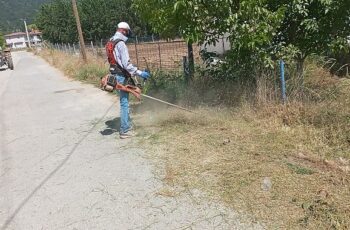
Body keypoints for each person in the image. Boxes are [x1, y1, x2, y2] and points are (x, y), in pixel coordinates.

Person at [110, 22, 150, 139]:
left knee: (123, 102)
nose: (127, 35)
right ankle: (125, 130)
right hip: (121, 76)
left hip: (114, 74)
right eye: (127, 32)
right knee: (124, 103)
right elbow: (126, 64)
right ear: (123, 31)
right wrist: (139, 72)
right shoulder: (120, 43)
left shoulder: (111, 41)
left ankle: (126, 126)